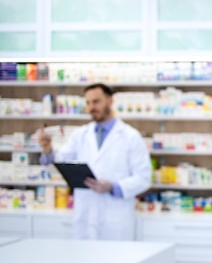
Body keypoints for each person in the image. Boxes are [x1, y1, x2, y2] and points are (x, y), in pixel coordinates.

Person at [38, 83, 152, 240]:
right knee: (84, 262)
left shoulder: (131, 136)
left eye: (96, 101)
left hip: (115, 219)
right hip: (85, 215)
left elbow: (144, 178)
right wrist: (48, 150)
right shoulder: (80, 134)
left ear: (110, 101)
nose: (91, 107)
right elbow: (60, 162)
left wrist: (113, 186)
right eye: (88, 103)